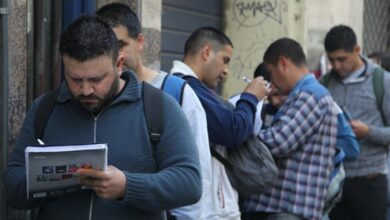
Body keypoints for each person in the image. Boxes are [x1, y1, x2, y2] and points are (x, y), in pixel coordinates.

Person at [5, 15, 201, 220]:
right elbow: (12, 187)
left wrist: (126, 186)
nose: (86, 90)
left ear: (119, 64)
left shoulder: (159, 107)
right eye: (75, 79)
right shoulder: (44, 109)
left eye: (96, 79)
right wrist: (55, 179)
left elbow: (189, 183)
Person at [96, 4, 211, 219]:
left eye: (120, 45)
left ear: (140, 42)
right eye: (105, 48)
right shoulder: (92, 96)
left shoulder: (175, 93)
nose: (114, 57)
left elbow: (198, 176)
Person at [170, 27, 268, 219]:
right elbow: (233, 130)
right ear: (206, 52)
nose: (226, 71)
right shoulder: (187, 88)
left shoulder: (194, 88)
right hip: (206, 210)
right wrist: (250, 97)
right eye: (225, 60)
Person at [239, 38, 338, 220]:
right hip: (280, 208)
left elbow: (278, 142)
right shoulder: (303, 94)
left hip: (288, 209)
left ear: (283, 63)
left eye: (271, 72)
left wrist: (236, 133)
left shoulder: (310, 95)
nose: (272, 81)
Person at [321, 25, 390, 220]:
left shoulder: (381, 81)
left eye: (342, 59)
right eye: (332, 60)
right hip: (334, 183)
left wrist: (368, 131)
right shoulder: (325, 84)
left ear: (357, 51)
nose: (337, 66)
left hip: (370, 181)